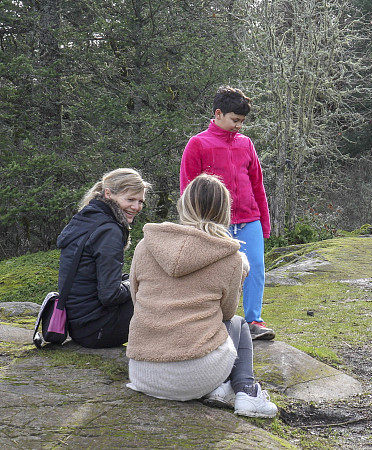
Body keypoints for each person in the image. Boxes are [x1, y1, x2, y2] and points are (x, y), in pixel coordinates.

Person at [126, 174, 278, 418]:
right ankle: (247, 393)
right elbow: (227, 315)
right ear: (224, 211)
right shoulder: (231, 257)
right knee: (238, 322)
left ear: (184, 205)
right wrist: (240, 273)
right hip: (195, 376)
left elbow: (136, 299)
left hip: (143, 372)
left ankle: (221, 388)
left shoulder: (146, 245)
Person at [180, 86, 274, 341]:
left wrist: (264, 223)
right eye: (235, 120)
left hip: (249, 218)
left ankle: (254, 320)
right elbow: (188, 190)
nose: (239, 126)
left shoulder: (246, 144)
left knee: (255, 268)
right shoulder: (198, 143)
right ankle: (215, 322)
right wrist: (193, 226)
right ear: (218, 114)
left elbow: (257, 186)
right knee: (215, 274)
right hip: (213, 223)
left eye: (242, 121)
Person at [56, 168, 151, 348]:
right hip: (96, 329)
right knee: (156, 293)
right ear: (108, 194)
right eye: (130, 199)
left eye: (140, 201)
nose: (136, 207)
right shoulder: (109, 231)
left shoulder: (87, 218)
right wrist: (136, 284)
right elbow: (110, 295)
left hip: (78, 324)